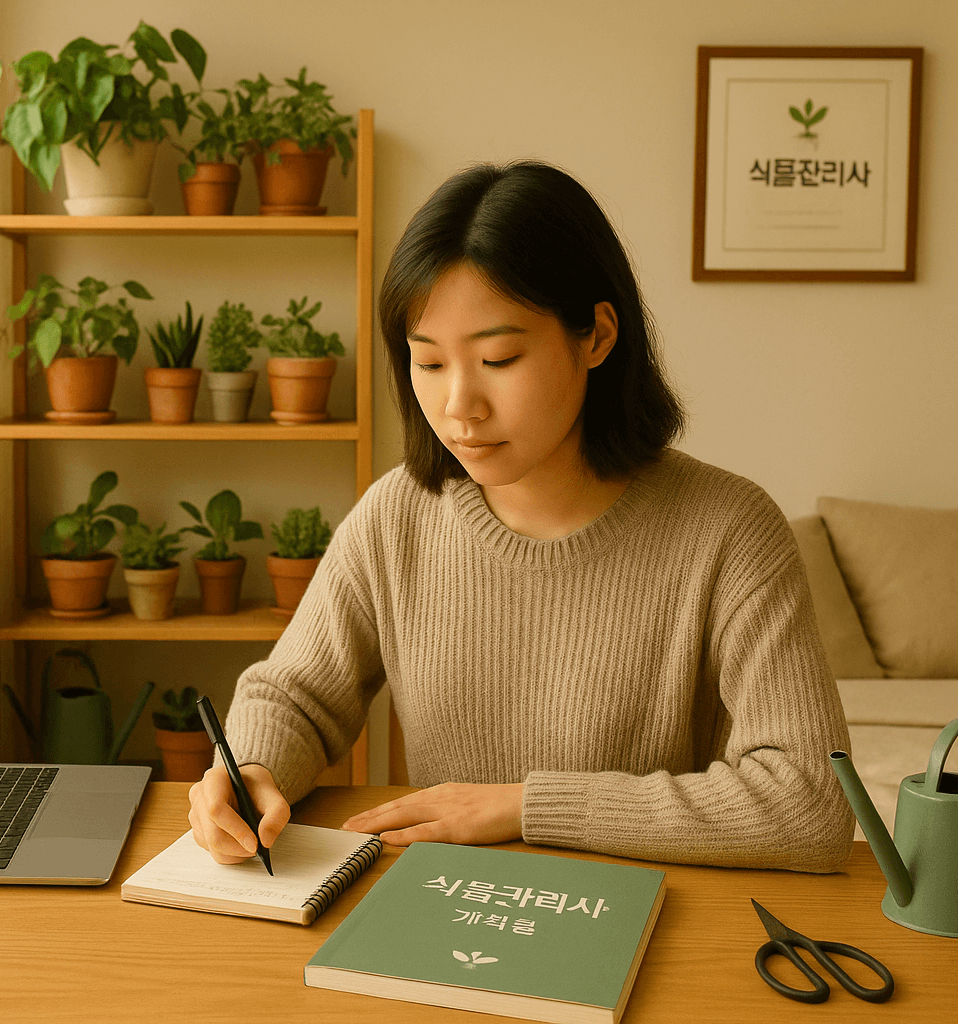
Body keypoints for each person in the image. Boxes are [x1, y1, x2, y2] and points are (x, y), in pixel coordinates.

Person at [186, 161, 854, 872]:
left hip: (652, 921)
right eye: (430, 364)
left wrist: (523, 808)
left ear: (596, 336)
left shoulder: (728, 529)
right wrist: (251, 768)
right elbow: (298, 694)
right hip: (450, 904)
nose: (458, 407)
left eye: (499, 358)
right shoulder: (398, 516)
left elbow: (810, 801)